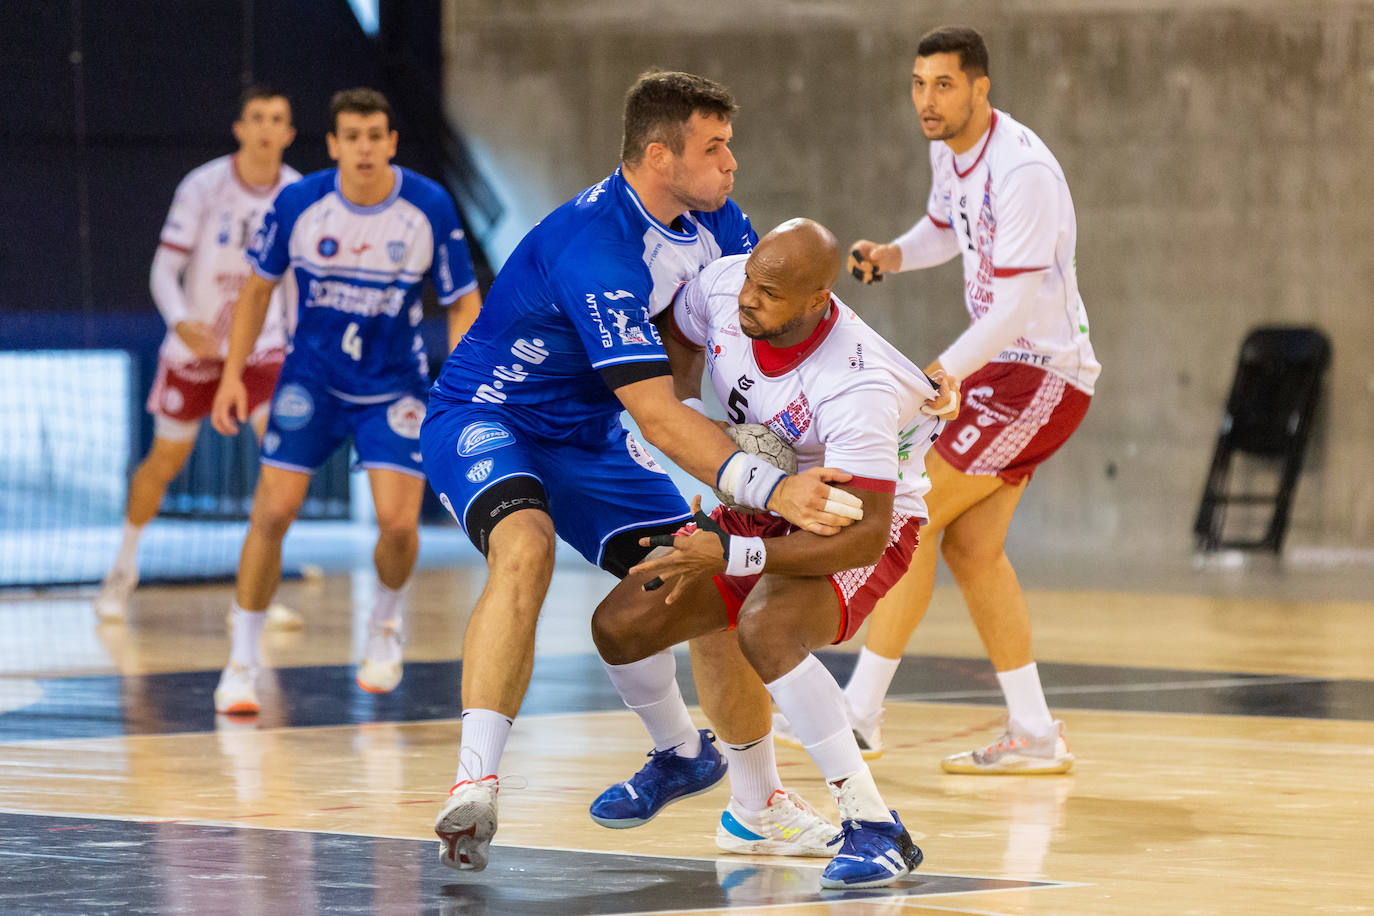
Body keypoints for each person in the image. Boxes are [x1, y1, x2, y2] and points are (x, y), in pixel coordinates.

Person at [421, 71, 864, 874]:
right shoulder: (596, 250)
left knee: (709, 578)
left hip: (587, 431)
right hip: (490, 415)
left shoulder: (720, 221)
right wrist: (764, 484)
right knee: (527, 546)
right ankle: (476, 780)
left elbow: (746, 332)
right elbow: (660, 416)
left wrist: (894, 385)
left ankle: (749, 798)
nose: (732, 164)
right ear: (659, 157)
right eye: (714, 147)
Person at [589, 218, 943, 889]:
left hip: (863, 522)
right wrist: (700, 424)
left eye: (771, 293)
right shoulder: (729, 286)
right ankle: (683, 755)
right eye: (752, 278)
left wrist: (733, 556)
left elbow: (864, 532)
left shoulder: (855, 384)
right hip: (765, 498)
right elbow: (680, 332)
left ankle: (874, 826)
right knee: (619, 625)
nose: (749, 297)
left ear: (816, 302)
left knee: (766, 629)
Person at [790, 25, 1101, 774]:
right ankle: (1031, 731)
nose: (927, 100)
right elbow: (944, 229)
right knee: (970, 547)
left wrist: (943, 370)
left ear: (981, 88)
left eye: (944, 85)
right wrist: (894, 255)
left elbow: (1019, 307)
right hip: (1001, 371)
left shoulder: (1022, 171)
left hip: (1038, 373)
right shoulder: (948, 153)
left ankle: (860, 711)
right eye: (918, 84)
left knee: (914, 513)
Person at [208, 87, 482, 714]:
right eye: (351, 137)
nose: (364, 148)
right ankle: (242, 661)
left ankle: (385, 623)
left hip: (395, 386)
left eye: (375, 136)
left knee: (398, 525)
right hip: (312, 381)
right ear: (332, 145)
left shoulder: (427, 206)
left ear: (390, 142)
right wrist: (232, 375)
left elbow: (463, 300)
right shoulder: (300, 203)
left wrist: (462, 386)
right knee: (272, 514)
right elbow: (255, 292)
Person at [94, 85, 301, 625]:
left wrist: (301, 344)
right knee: (164, 463)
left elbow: (300, 282)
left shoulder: (300, 193)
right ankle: (123, 567)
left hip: (263, 348)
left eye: (276, 119)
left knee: (278, 460)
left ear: (289, 133)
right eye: (256, 117)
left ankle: (258, 591)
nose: (264, 128)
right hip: (196, 349)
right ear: (239, 128)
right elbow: (164, 268)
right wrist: (182, 321)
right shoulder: (203, 185)